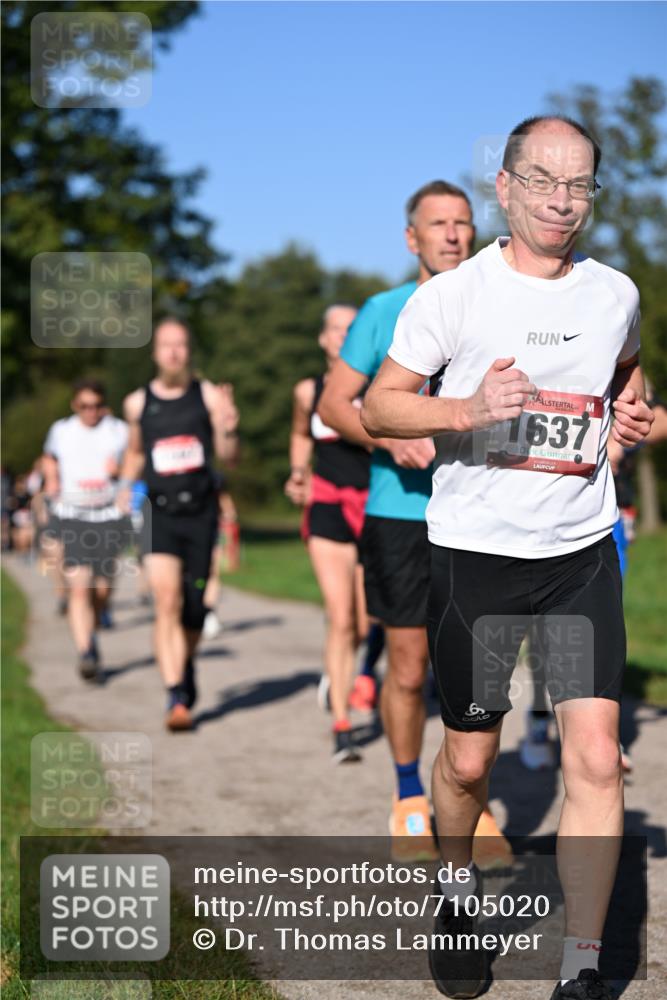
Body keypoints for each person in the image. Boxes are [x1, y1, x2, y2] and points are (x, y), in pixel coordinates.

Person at [361, 116, 654, 1000]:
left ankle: (581, 964)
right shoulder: (453, 297)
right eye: (542, 182)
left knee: (596, 759)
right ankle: (455, 893)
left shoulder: (615, 295)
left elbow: (623, 389)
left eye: (578, 187)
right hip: (479, 561)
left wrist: (633, 425)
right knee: (467, 763)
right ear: (504, 185)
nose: (561, 203)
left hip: (575, 556)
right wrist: (465, 412)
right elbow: (381, 408)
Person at [319, 181, 512, 868]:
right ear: (413, 238)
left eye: (463, 222)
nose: (454, 234)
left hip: (484, 513)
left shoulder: (501, 304)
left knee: (479, 676)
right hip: (400, 511)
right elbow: (335, 402)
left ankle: (469, 802)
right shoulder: (384, 310)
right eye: (438, 224)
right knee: (405, 668)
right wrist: (386, 439)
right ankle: (407, 796)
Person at [119, 318, 239, 732]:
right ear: (155, 352)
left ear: (188, 351)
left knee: (193, 609)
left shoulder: (206, 396)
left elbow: (229, 456)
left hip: (200, 512)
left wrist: (228, 428)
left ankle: (184, 666)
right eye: (166, 345)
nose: (173, 352)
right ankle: (175, 695)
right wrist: (122, 487)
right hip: (158, 512)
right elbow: (136, 452)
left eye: (180, 345)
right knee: (165, 600)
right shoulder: (137, 403)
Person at [285, 303, 381, 763]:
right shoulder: (308, 390)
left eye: (353, 329)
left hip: (373, 505)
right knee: (340, 617)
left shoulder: (380, 385)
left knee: (364, 623)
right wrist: (297, 472)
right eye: (336, 329)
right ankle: (342, 723)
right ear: (323, 339)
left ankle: (342, 673)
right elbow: (301, 435)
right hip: (327, 505)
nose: (344, 336)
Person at [42, 379, 131, 681]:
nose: (91, 412)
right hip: (73, 514)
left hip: (108, 514)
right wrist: (52, 479)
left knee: (102, 589)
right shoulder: (61, 430)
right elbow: (49, 457)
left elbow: (136, 460)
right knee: (79, 587)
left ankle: (96, 622)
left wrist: (121, 475)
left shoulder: (118, 430)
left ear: (104, 406)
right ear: (74, 406)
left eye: (96, 406)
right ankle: (86, 651)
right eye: (84, 406)